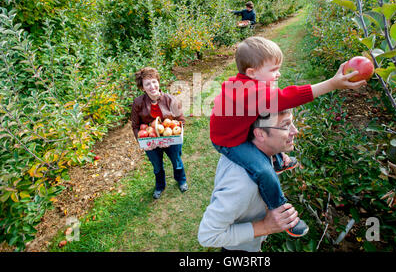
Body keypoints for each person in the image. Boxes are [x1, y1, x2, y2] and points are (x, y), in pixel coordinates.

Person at [209, 36, 366, 237]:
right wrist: (333, 84)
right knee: (264, 171)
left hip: (233, 128)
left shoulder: (245, 84)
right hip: (229, 142)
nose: (278, 73)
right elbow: (287, 97)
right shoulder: (251, 93)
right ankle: (281, 212)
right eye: (273, 70)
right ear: (252, 73)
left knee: (269, 127)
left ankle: (277, 159)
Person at [198, 110, 303, 252]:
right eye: (286, 125)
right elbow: (207, 236)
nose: (295, 131)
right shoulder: (241, 187)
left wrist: (276, 155)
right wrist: (265, 227)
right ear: (260, 134)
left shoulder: (253, 146)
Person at [131, 67, 188, 199]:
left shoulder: (170, 99)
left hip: (171, 138)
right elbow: (135, 126)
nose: (152, 86)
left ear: (158, 82)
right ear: (142, 88)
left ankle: (181, 180)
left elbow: (181, 121)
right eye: (147, 84)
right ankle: (160, 186)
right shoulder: (138, 103)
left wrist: (168, 139)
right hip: (150, 140)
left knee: (177, 161)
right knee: (157, 165)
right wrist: (143, 143)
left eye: (154, 81)